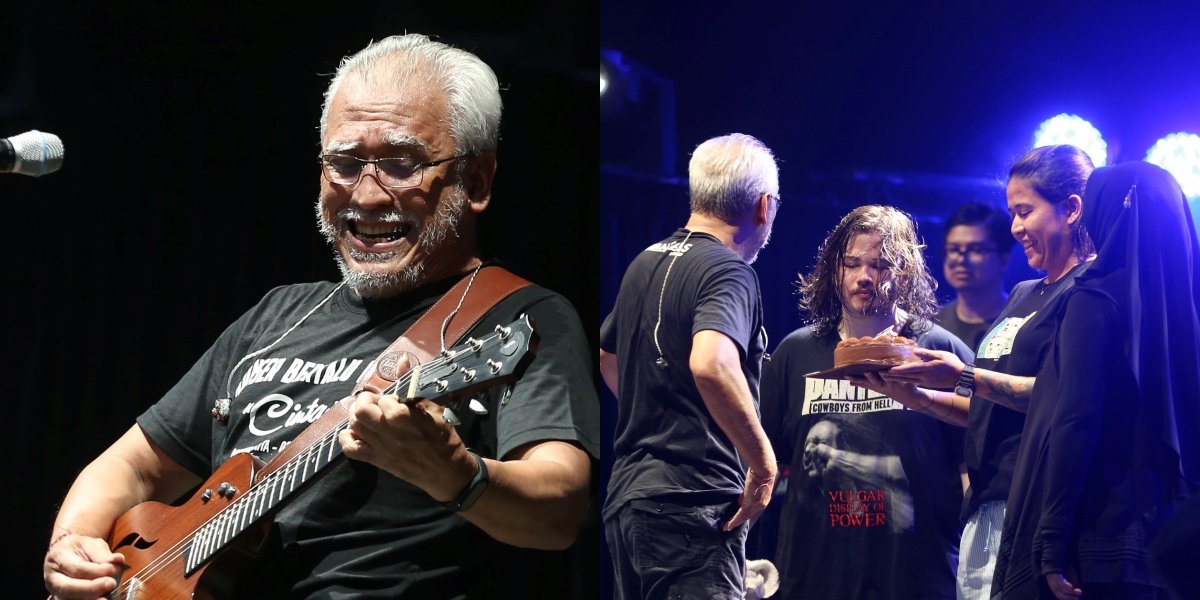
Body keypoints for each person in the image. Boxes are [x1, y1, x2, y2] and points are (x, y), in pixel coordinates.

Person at [42, 34, 599, 600]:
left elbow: (559, 512)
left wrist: (457, 474)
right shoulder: (278, 314)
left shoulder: (518, 317)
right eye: (345, 162)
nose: (368, 194)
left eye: (401, 164)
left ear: (475, 181)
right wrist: (72, 543)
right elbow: (133, 467)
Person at [854, 144, 1096, 600]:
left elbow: (1061, 397)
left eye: (1025, 211)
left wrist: (964, 375)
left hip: (1034, 505)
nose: (1016, 227)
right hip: (985, 505)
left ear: (1071, 209)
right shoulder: (1024, 294)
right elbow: (989, 406)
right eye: (1012, 213)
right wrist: (920, 397)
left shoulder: (1087, 291)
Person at [992, 161, 1200, 600]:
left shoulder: (1094, 296)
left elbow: (1074, 421)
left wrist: (1049, 542)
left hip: (1095, 544)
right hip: (1172, 549)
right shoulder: (1187, 317)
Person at [599, 133, 780, 600]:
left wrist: (664, 408)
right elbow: (712, 364)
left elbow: (608, 357)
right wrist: (762, 466)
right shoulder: (729, 271)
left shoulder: (644, 261)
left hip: (630, 501)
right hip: (693, 504)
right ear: (765, 207)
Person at [759, 204, 972, 600]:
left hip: (918, 582)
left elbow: (971, 467)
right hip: (813, 580)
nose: (864, 277)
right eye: (852, 264)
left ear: (904, 271)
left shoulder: (941, 352)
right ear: (834, 270)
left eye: (880, 265)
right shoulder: (796, 353)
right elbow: (768, 463)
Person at [935, 201, 1015, 350]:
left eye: (976, 249)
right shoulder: (932, 324)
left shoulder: (1021, 321)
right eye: (953, 249)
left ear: (1004, 259)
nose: (961, 259)